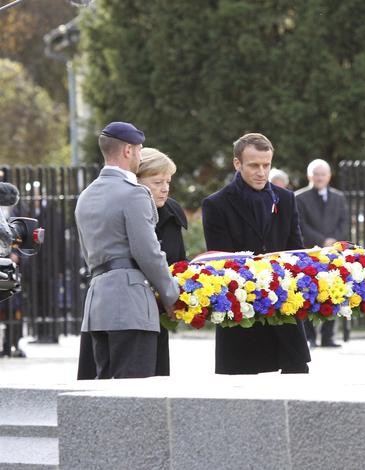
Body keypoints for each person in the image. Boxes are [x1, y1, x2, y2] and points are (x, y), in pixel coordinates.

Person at [75, 122, 179, 379]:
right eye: (140, 150)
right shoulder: (134, 194)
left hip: (98, 303)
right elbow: (149, 253)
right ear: (128, 150)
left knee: (105, 392)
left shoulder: (86, 195)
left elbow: (87, 253)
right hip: (131, 305)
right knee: (134, 396)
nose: (141, 156)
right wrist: (171, 294)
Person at [201, 132, 311, 374]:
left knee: (297, 389)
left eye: (266, 165)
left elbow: (296, 252)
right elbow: (223, 262)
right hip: (241, 315)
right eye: (254, 165)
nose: (262, 172)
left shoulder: (286, 199)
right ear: (237, 164)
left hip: (285, 313)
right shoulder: (216, 204)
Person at [295, 158, 350, 347]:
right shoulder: (299, 198)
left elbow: (344, 223)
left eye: (323, 174)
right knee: (308, 293)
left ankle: (328, 336)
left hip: (333, 254)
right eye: (316, 174)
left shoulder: (339, 197)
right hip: (309, 253)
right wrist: (322, 241)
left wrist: (333, 241)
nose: (319, 177)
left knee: (333, 292)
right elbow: (300, 225)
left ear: (329, 176)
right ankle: (309, 336)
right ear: (310, 176)